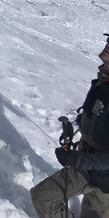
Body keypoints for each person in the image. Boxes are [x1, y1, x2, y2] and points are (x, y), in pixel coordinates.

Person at [30, 40, 109, 217]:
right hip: (89, 163)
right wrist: (79, 127)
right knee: (44, 197)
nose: (105, 48)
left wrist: (78, 159)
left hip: (100, 176)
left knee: (44, 197)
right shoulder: (104, 81)